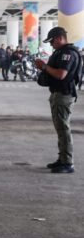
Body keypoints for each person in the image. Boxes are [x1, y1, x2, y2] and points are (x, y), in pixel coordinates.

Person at [34, 26, 81, 174]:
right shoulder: (61, 52)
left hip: (64, 94)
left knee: (63, 128)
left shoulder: (68, 54)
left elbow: (61, 74)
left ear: (60, 38)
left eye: (52, 41)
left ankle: (67, 162)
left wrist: (44, 67)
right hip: (58, 94)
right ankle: (62, 159)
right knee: (60, 129)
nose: (51, 45)